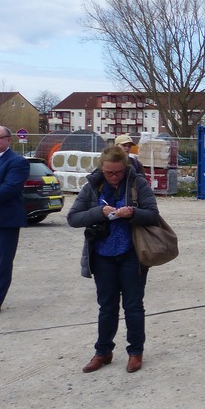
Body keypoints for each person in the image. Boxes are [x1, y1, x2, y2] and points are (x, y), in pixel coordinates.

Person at [68, 146, 159, 373]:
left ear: (125, 168)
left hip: (132, 255)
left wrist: (132, 214)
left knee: (133, 306)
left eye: (118, 172)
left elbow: (153, 215)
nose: (114, 177)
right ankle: (103, 352)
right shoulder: (92, 186)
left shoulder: (138, 183)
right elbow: (73, 218)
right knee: (107, 307)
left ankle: (135, 352)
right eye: (109, 173)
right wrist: (98, 212)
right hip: (102, 256)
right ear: (102, 168)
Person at [0, 125, 29, 314]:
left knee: (1, 261)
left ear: (9, 140)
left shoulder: (18, 162)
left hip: (5, 220)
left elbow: (10, 188)